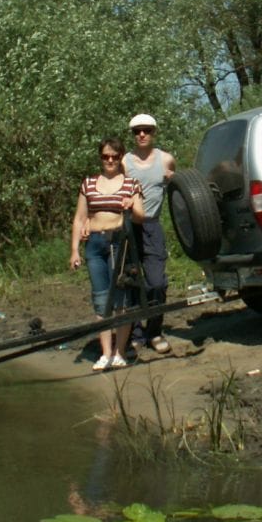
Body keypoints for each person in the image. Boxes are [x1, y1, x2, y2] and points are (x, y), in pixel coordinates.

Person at [70, 137, 145, 371]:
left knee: (120, 299)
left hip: (118, 243)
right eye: (105, 156)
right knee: (100, 299)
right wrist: (74, 250)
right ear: (101, 158)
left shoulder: (131, 184)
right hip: (94, 243)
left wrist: (131, 204)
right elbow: (79, 218)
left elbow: (140, 217)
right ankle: (105, 353)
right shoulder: (89, 183)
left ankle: (120, 352)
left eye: (114, 156)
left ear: (120, 157)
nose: (110, 160)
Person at [123, 114, 177, 354]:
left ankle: (155, 331)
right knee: (132, 281)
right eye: (137, 131)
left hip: (153, 228)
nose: (141, 135)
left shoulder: (166, 160)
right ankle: (135, 334)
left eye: (146, 130)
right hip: (128, 228)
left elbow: (178, 188)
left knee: (156, 283)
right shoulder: (124, 162)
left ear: (153, 132)